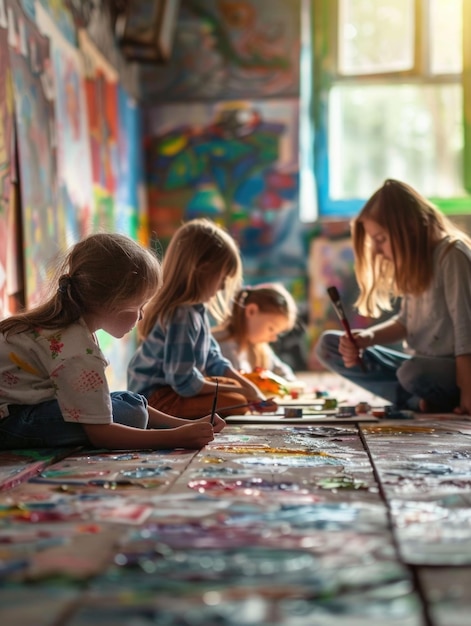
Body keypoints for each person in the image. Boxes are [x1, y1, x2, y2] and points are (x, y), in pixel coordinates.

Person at [0, 232, 225, 451]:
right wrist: (174, 438)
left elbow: (100, 400)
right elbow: (101, 435)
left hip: (22, 410)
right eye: (138, 306)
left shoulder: (72, 330)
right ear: (111, 302)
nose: (141, 316)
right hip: (9, 423)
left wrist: (188, 425)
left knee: (129, 400)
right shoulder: (77, 350)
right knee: (130, 413)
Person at [315, 178, 471, 415]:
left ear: (408, 227)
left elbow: (465, 331)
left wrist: (468, 391)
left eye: (380, 240)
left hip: (455, 370)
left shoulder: (452, 255)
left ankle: (417, 400)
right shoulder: (417, 261)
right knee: (329, 346)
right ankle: (417, 401)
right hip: (418, 365)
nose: (377, 250)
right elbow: (405, 322)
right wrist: (367, 338)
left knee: (413, 372)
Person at [127, 218, 269, 418]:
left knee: (236, 389)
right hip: (153, 401)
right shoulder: (182, 315)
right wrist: (241, 392)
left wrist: (250, 388)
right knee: (236, 401)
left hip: (172, 391)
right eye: (222, 279)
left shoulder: (196, 310)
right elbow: (184, 382)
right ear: (201, 270)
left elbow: (214, 361)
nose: (221, 287)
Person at [212, 283, 299, 382]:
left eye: (277, 333)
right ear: (251, 311)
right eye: (271, 329)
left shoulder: (259, 349)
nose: (274, 338)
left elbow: (283, 372)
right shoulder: (220, 346)